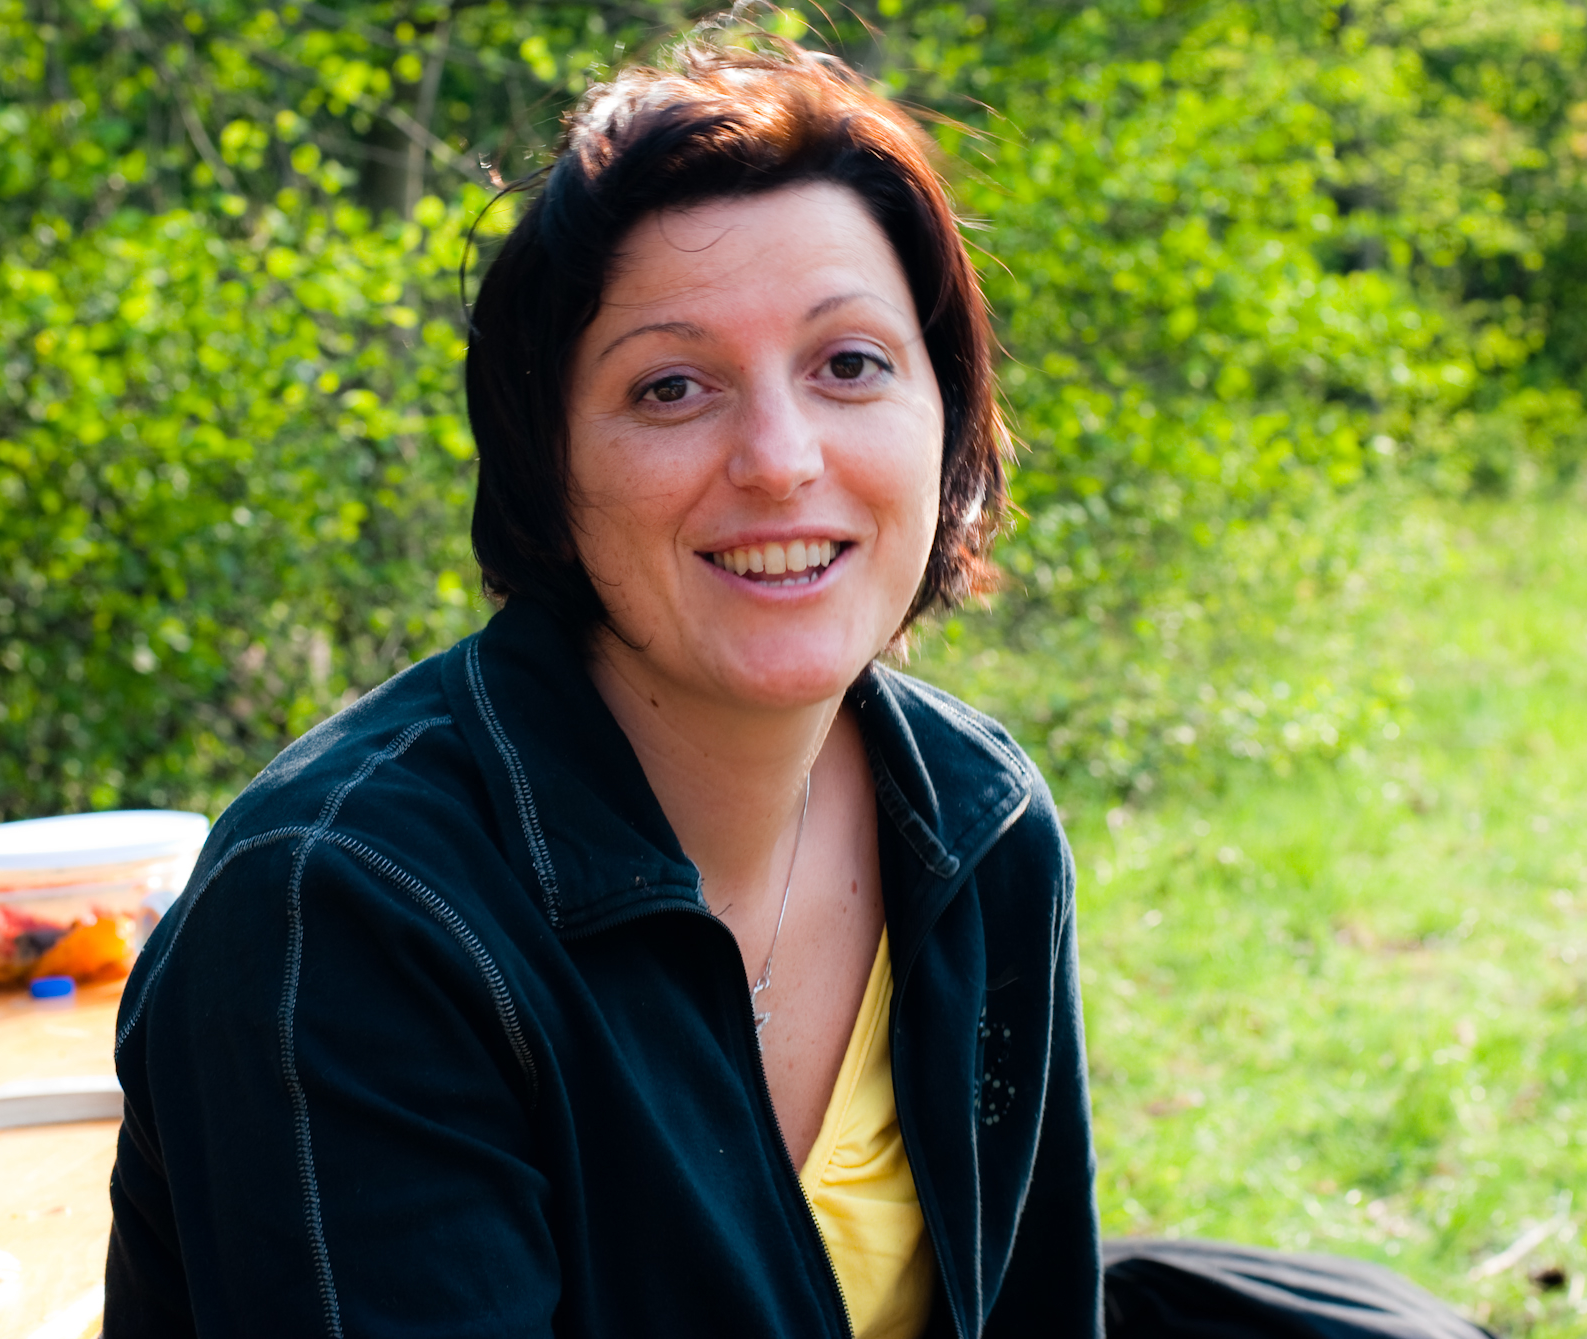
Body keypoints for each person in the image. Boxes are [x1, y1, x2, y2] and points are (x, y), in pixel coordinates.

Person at [105, 32, 1101, 1338]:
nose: (779, 458)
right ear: (550, 467)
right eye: (671, 386)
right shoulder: (351, 912)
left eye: (849, 363)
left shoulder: (978, 826)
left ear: (949, 420)